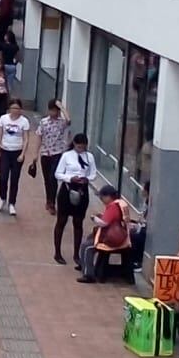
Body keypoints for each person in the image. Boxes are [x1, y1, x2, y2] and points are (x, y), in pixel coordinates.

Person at [52, 133, 97, 265]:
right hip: (67, 189)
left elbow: (93, 173)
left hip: (82, 189)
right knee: (62, 221)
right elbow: (58, 173)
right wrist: (70, 178)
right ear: (74, 144)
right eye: (78, 147)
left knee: (78, 223)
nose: (80, 149)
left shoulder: (90, 157)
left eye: (83, 147)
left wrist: (86, 179)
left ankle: (76, 254)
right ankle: (57, 252)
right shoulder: (67, 156)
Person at [78, 185, 132, 283]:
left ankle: (88, 274)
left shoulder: (112, 207)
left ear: (108, 197)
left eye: (102, 197)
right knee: (90, 237)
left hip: (112, 239)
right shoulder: (121, 204)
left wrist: (94, 218)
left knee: (86, 247)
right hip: (123, 237)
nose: (101, 199)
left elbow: (104, 223)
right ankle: (84, 263)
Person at [0, 98, 30, 216]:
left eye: (18, 108)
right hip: (5, 151)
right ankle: (2, 198)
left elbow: (26, 138)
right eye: (13, 108)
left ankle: (12, 203)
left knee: (14, 179)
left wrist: (23, 154)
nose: (15, 111)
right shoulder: (3, 119)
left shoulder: (24, 121)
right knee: (3, 177)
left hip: (17, 152)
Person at [34, 100, 71, 214]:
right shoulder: (43, 122)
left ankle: (52, 203)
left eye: (55, 110)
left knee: (52, 177)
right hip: (45, 153)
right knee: (46, 179)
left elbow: (69, 120)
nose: (52, 112)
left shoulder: (61, 122)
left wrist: (62, 107)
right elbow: (39, 136)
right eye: (51, 110)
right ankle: (49, 199)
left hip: (57, 153)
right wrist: (36, 153)